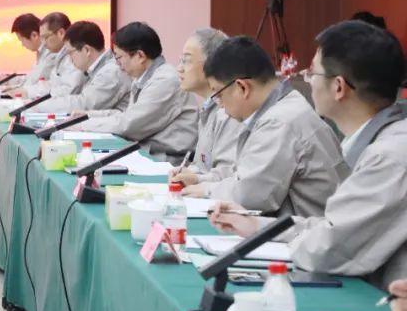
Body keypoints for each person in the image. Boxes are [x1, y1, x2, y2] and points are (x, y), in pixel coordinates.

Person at [210, 21, 407, 288]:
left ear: (338, 87)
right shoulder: (378, 142)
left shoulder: (389, 156)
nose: (307, 80)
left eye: (312, 72)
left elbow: (328, 248)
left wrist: (272, 235)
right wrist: (257, 226)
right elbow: (332, 227)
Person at [189, 36, 347, 217]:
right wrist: (199, 180)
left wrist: (206, 190)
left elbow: (249, 196)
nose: (220, 105)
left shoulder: (280, 122)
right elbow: (243, 173)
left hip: (305, 230)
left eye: (218, 94)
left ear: (242, 88)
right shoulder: (282, 106)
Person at [82, 22, 198, 159]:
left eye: (119, 57)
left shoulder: (165, 81)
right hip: (149, 153)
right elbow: (127, 115)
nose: (117, 64)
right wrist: (87, 116)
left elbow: (129, 125)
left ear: (140, 56)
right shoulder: (144, 77)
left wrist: (83, 125)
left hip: (167, 160)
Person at [170, 28, 244, 184]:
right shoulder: (207, 107)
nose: (179, 68)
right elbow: (203, 165)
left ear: (212, 63)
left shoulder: (230, 110)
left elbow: (227, 175)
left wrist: (196, 178)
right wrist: (189, 171)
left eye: (186, 60)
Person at [33, 21, 131, 114]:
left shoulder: (111, 72)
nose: (70, 59)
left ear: (87, 50)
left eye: (70, 53)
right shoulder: (95, 69)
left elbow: (84, 104)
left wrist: (38, 106)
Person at [38, 12, 81, 98]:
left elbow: (70, 90)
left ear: (61, 33)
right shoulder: (60, 56)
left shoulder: (76, 56)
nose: (43, 44)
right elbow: (53, 86)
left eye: (45, 37)